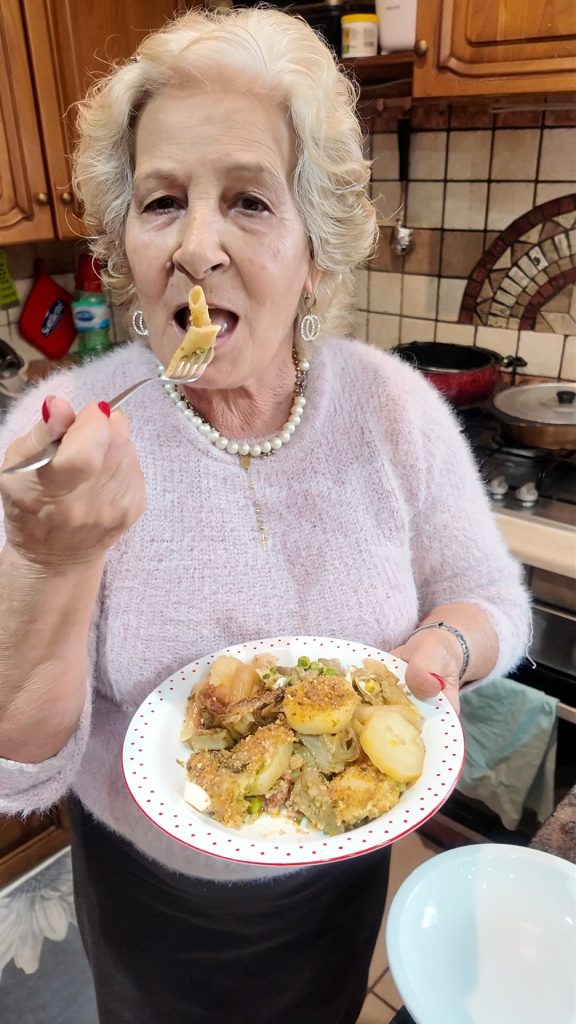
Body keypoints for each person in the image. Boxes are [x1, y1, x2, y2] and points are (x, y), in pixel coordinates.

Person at [0, 8, 530, 1024]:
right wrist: (48, 560)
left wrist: (443, 648)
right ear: (127, 241)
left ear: (315, 253)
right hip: (148, 911)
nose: (196, 245)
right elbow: (18, 768)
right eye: (162, 202)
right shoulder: (61, 436)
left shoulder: (391, 408)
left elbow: (487, 595)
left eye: (246, 199)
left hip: (332, 894)